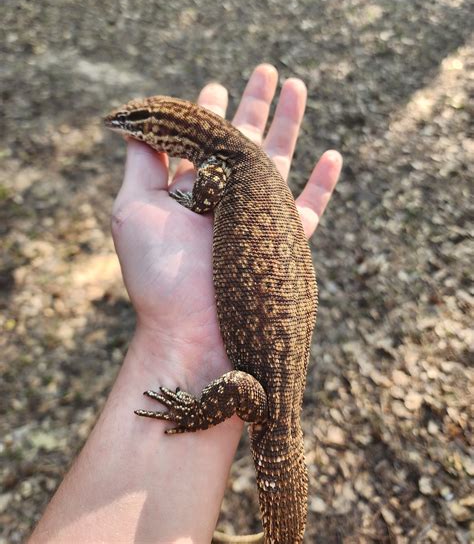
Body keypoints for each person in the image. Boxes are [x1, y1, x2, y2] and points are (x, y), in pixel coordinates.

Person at [29, 64, 343, 543]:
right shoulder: (236, 159)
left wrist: (194, 412)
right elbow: (209, 194)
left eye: (137, 125)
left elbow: (203, 200)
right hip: (281, 342)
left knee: (245, 392)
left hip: (262, 380)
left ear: (164, 134)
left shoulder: (225, 162)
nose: (128, 127)